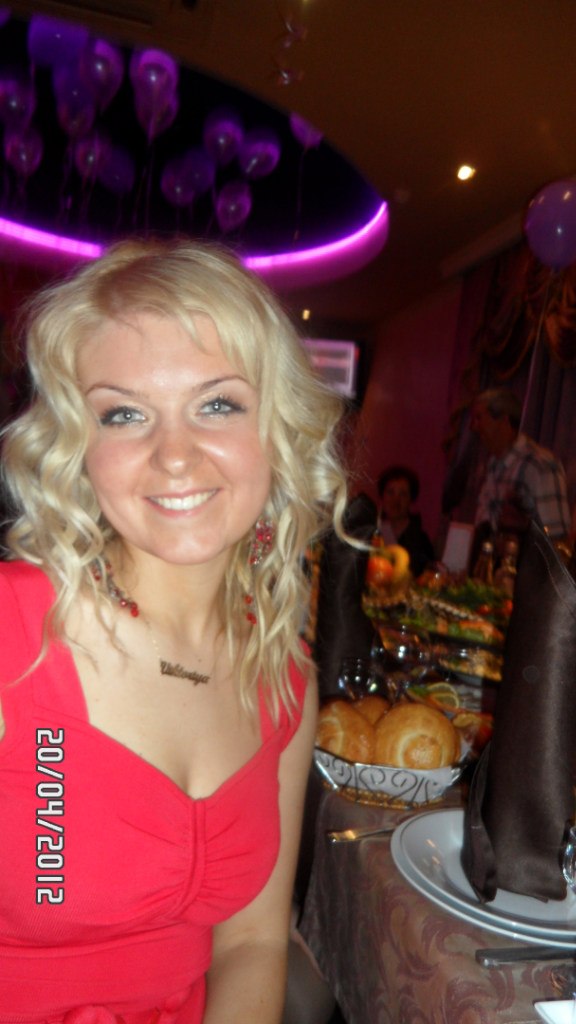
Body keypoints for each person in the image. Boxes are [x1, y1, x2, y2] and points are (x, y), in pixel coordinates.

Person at [0, 239, 348, 1023]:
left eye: (217, 404)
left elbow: (252, 943)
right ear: (78, 447)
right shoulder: (12, 638)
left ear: (278, 427)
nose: (175, 456)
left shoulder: (285, 680)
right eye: (123, 414)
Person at [470, 387, 570, 545]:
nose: (474, 426)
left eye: (479, 418)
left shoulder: (539, 465)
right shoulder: (493, 464)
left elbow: (556, 540)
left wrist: (522, 530)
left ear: (504, 420)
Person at [376, 464, 435, 577]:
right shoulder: (372, 534)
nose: (396, 500)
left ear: (411, 500)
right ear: (382, 496)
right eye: (390, 492)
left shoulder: (421, 541)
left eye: (403, 494)